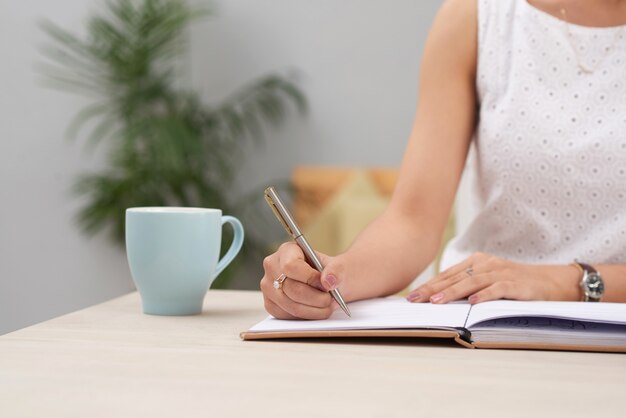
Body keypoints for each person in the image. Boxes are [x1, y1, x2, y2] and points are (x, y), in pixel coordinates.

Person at [260, 0, 626, 320]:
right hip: (484, 325)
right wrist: (331, 276)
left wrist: (563, 281)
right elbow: (413, 223)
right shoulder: (476, 16)